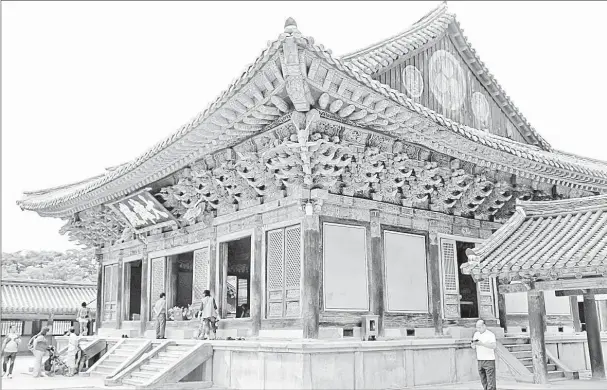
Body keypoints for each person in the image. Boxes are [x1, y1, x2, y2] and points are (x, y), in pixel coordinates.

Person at [471, 319, 497, 390]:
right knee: (483, 380)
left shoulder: (490, 334)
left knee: (490, 381)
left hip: (489, 360)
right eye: (477, 327)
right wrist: (473, 344)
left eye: (479, 327)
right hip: (480, 359)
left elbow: (494, 346)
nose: (478, 329)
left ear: (484, 326)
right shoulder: (476, 334)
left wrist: (482, 344)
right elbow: (473, 346)